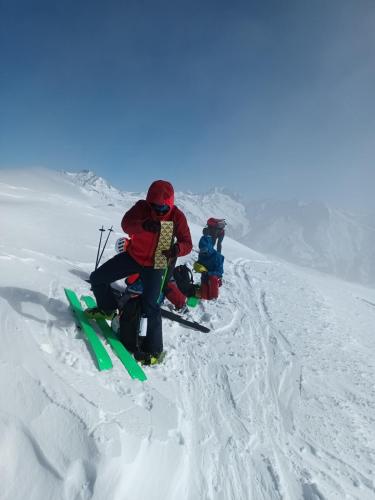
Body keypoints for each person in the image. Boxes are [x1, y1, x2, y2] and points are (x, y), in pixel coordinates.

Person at [87, 180, 193, 362]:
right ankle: (107, 309)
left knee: (151, 305)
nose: (158, 210)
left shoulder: (177, 216)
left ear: (170, 204)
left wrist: (176, 250)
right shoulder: (142, 208)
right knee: (98, 278)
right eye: (154, 206)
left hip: (156, 264)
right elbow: (126, 225)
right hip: (133, 257)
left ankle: (155, 351)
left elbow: (187, 243)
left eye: (162, 208)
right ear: (148, 201)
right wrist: (143, 225)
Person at [197, 234, 224, 300]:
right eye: (201, 249)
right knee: (205, 296)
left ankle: (215, 297)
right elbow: (200, 263)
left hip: (214, 279)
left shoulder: (217, 256)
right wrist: (197, 266)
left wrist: (209, 273)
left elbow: (219, 272)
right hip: (205, 277)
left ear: (209, 247)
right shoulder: (201, 255)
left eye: (205, 249)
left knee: (212, 295)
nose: (203, 252)